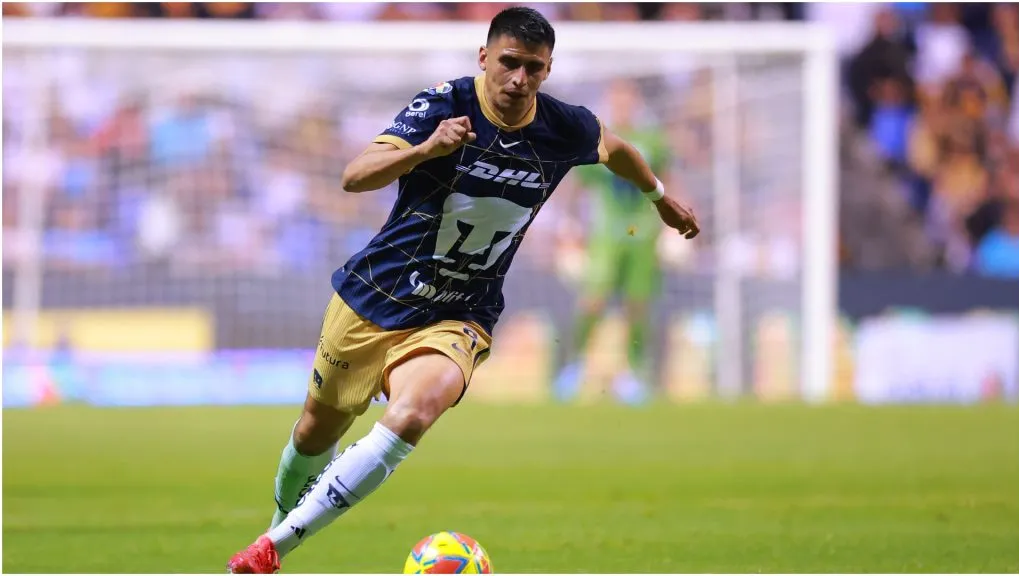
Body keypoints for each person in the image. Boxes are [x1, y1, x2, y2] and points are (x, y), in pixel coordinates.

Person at [227, 7, 700, 573]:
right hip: (377, 296)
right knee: (314, 431)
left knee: (411, 415)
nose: (519, 79)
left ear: (548, 70)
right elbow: (355, 176)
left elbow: (617, 149)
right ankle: (278, 524)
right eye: (509, 63)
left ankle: (274, 549)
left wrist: (659, 196)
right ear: (484, 57)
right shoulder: (443, 105)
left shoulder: (563, 126)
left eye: (533, 68)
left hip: (461, 314)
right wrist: (426, 150)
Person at [553, 78, 674, 404]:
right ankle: (574, 366)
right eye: (616, 97)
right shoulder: (598, 137)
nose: (622, 103)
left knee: (637, 305)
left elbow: (668, 182)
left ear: (635, 101)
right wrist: (568, 225)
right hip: (604, 234)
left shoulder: (653, 140)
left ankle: (633, 375)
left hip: (642, 234)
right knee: (593, 300)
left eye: (627, 97)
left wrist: (671, 223)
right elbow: (578, 184)